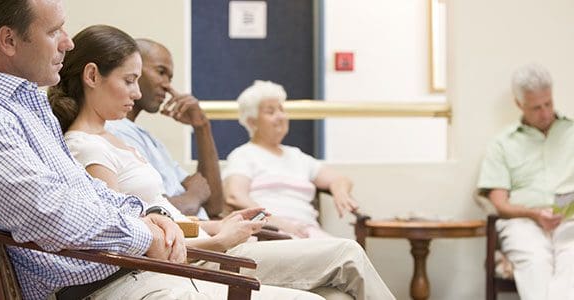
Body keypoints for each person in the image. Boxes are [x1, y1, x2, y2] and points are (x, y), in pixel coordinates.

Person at [50, 32, 396, 300]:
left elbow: (161, 214)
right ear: (92, 76)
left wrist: (217, 227)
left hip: (205, 246)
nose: (137, 93)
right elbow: (127, 240)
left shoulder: (120, 140)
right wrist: (218, 241)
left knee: (336, 292)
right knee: (346, 256)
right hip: (192, 261)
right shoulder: (84, 146)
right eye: (129, 80)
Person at [0, 1, 190, 299]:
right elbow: (45, 211)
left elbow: (85, 189)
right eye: (54, 31)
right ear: (9, 40)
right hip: (92, 289)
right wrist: (143, 234)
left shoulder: (25, 101)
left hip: (126, 274)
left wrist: (144, 214)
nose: (68, 42)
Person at [477, 63, 574, 300]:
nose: (545, 113)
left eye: (548, 104)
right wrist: (534, 214)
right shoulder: (502, 144)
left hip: (570, 222)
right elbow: (499, 203)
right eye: (536, 108)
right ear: (519, 104)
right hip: (523, 224)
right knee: (535, 263)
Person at [222, 80, 359, 238]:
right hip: (269, 233)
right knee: (346, 253)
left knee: (350, 250)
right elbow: (235, 196)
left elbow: (340, 179)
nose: (280, 116)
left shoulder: (297, 156)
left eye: (281, 109)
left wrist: (340, 191)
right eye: (270, 112)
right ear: (252, 122)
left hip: (306, 231)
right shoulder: (244, 154)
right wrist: (279, 223)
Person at [105, 38, 221, 220]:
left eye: (170, 77)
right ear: (134, 69)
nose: (167, 85)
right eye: (161, 72)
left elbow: (214, 205)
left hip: (210, 234)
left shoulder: (148, 138)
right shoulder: (113, 130)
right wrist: (192, 197)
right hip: (187, 243)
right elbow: (147, 210)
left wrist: (202, 127)